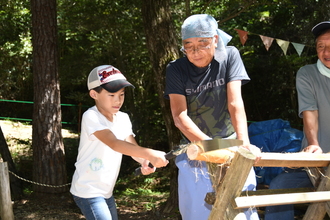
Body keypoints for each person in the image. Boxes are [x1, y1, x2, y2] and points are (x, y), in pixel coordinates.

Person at [164, 14, 260, 220]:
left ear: (215, 39)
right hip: (194, 152)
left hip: (233, 145)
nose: (195, 52)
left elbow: (235, 104)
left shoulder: (230, 56)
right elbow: (180, 117)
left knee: (243, 212)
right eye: (188, 45)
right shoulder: (176, 69)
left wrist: (244, 144)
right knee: (200, 214)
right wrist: (211, 147)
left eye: (202, 43)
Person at [70, 65, 169, 220]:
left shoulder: (123, 118)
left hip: (106, 192)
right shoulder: (91, 117)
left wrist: (144, 160)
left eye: (121, 94)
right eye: (111, 95)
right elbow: (115, 143)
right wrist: (150, 153)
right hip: (88, 191)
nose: (118, 100)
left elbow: (131, 147)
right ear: (94, 94)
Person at [264, 21, 330, 220]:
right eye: (321, 46)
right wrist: (314, 145)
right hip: (316, 168)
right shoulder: (307, 74)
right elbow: (311, 114)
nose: (326, 51)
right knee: (279, 186)